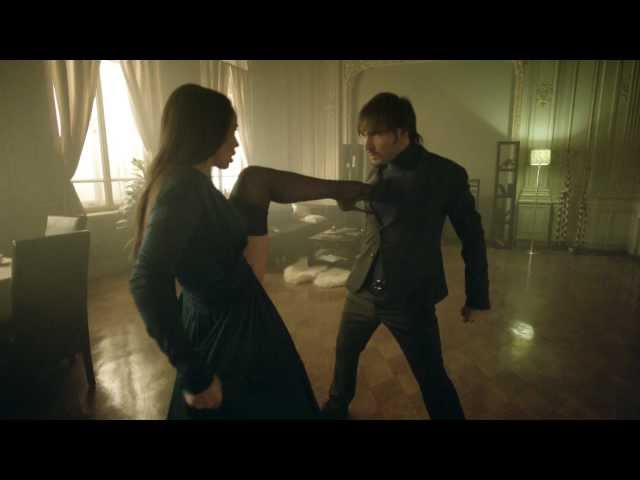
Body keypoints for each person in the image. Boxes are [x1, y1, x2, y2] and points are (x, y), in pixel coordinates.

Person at [129, 84, 373, 419]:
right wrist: (193, 372)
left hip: (231, 312)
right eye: (231, 132)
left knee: (254, 177)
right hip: (229, 327)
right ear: (207, 132)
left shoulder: (188, 182)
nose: (235, 143)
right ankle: (344, 191)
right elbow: (145, 280)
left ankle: (343, 191)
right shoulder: (184, 188)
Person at [321, 92, 491, 420]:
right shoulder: (376, 169)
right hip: (363, 290)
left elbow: (473, 238)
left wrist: (477, 297)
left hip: (410, 296)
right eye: (364, 135)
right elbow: (378, 227)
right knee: (344, 354)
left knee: (431, 376)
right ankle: (336, 408)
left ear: (402, 132)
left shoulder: (445, 174)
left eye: (375, 134)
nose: (367, 144)